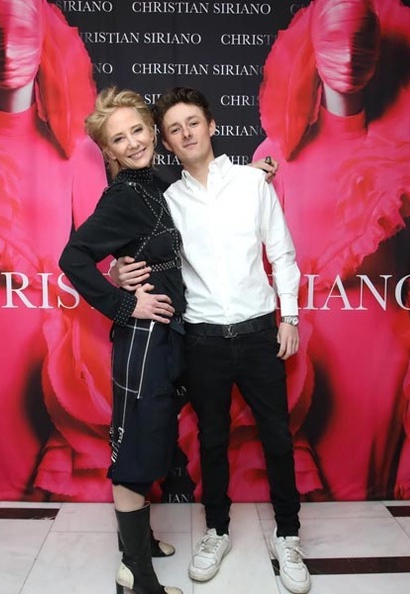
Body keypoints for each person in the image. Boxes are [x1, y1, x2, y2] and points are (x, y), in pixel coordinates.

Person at [114, 87, 311, 594]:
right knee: (212, 440)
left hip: (260, 333)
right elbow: (140, 251)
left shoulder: (251, 182)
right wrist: (116, 271)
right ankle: (217, 531)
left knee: (277, 437)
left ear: (212, 125)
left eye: (193, 123)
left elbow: (282, 253)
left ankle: (288, 536)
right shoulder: (167, 202)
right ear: (166, 143)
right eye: (174, 129)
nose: (186, 134)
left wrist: (289, 317)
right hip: (202, 339)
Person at [0, 0, 109, 500]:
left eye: (20, 37)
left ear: (42, 48)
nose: (7, 52)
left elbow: (102, 257)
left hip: (55, 343)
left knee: (53, 489)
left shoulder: (77, 151)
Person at [253, 0, 410, 500]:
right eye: (335, 39)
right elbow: (258, 262)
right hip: (299, 344)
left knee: (366, 498)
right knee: (299, 489)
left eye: (361, 41)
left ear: (378, 50)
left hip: (380, 350)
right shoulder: (274, 155)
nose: (349, 56)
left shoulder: (408, 159)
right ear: (312, 49)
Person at [59, 87, 185, 594]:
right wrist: (123, 302)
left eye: (138, 130)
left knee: (151, 438)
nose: (133, 142)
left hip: (166, 337)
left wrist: (253, 175)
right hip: (142, 338)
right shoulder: (124, 195)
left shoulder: (158, 182)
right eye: (119, 138)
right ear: (107, 150)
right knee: (136, 448)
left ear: (152, 130)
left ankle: (140, 543)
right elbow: (72, 258)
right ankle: (136, 574)